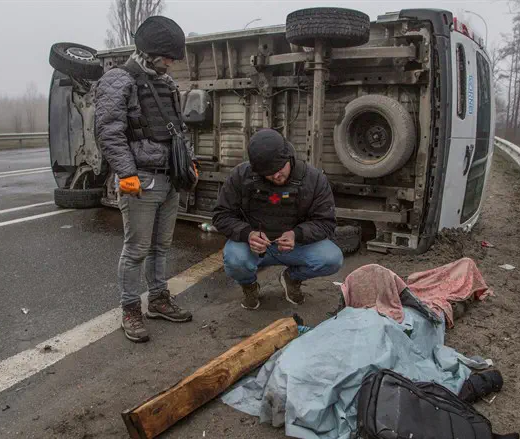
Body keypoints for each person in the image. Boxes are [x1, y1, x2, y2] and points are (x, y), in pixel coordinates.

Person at [94, 16, 196, 343]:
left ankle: (158, 299)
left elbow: (178, 129)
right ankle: (129, 309)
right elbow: (109, 133)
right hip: (141, 180)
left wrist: (188, 162)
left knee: (161, 246)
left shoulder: (165, 83)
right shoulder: (118, 80)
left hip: (170, 179)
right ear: (150, 51)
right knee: (136, 249)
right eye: (167, 56)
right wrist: (126, 173)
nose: (171, 62)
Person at [212, 129, 343, 309]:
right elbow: (221, 215)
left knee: (332, 258)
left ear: (289, 157)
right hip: (254, 247)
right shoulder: (241, 176)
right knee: (234, 259)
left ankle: (292, 278)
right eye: (268, 173)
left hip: (295, 246)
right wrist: (247, 234)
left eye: (279, 169)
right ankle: (249, 286)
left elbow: (326, 222)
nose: (275, 176)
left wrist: (297, 234)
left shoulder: (314, 179)